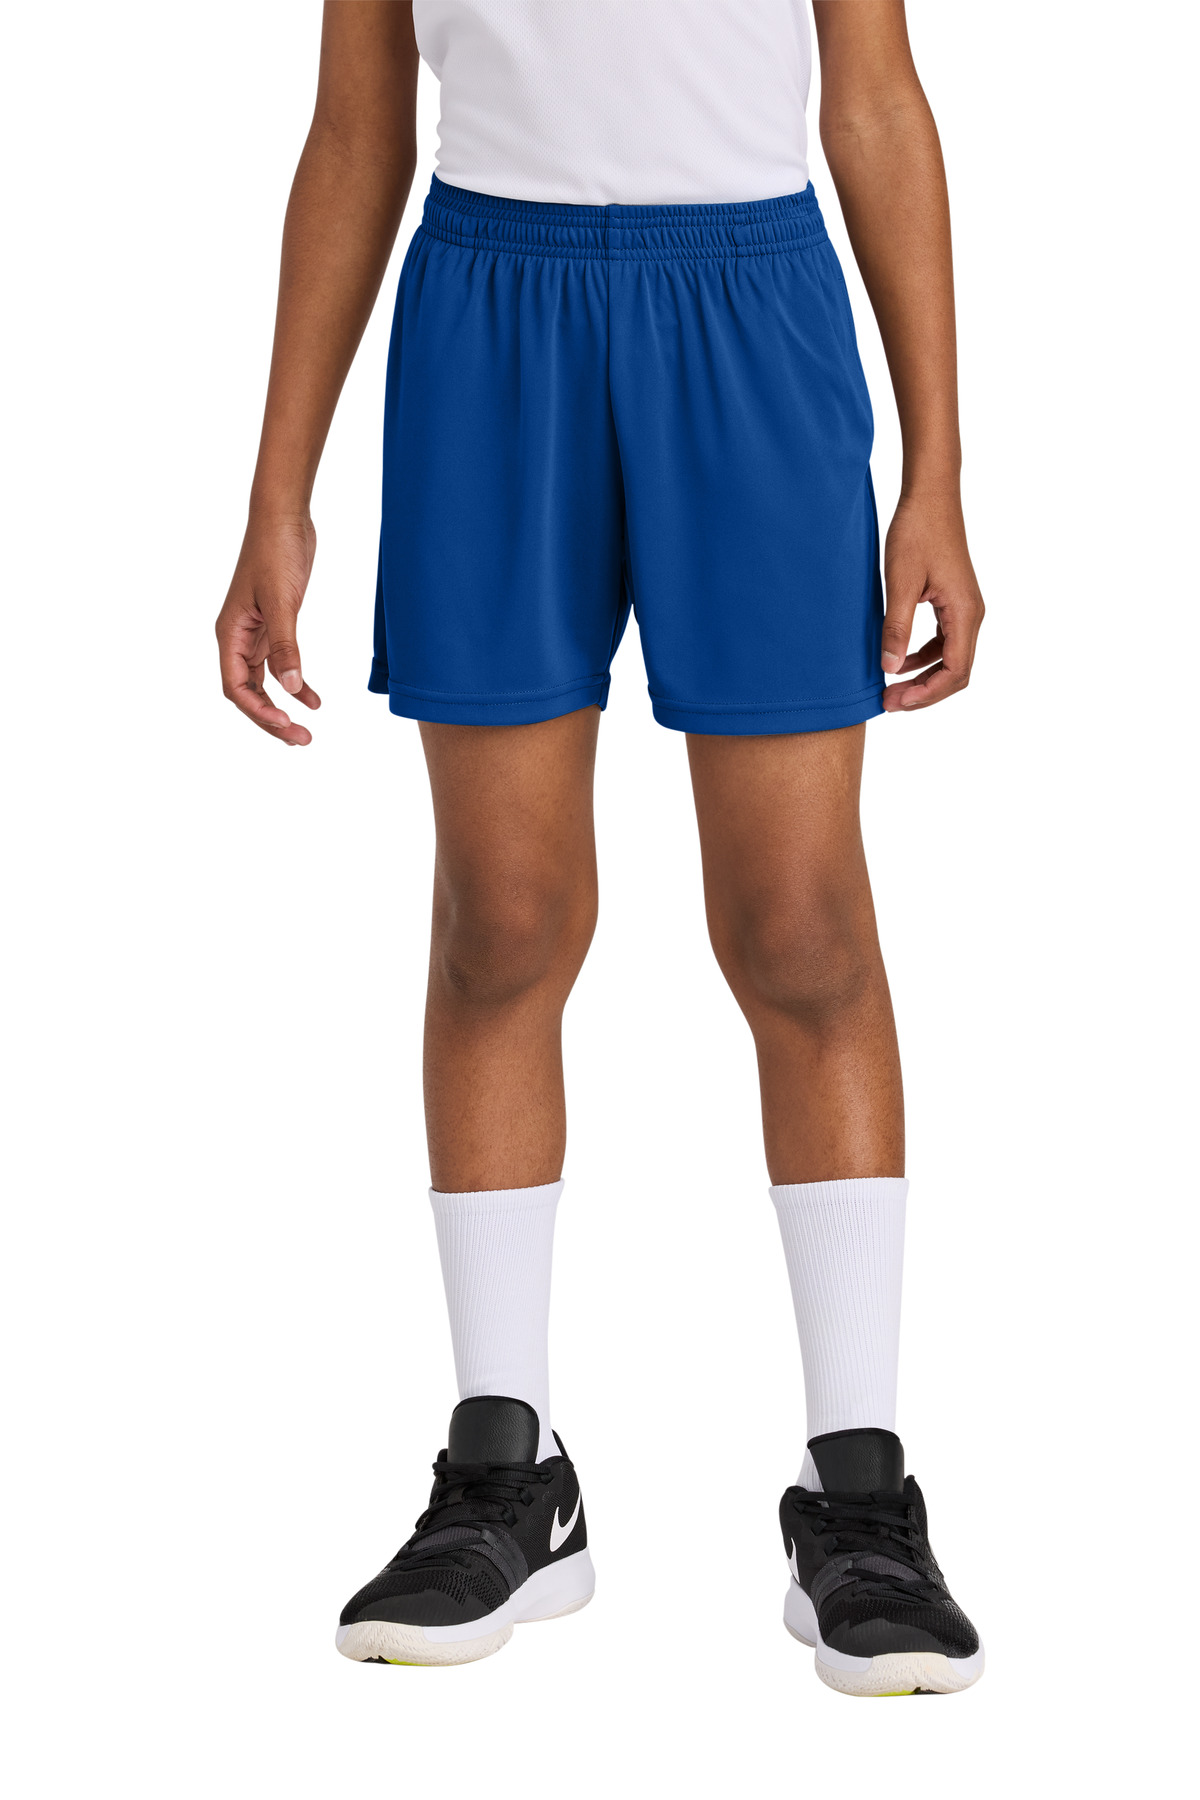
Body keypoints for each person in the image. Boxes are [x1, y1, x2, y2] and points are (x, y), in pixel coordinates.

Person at [216, 1, 985, 1696]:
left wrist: (937, 467)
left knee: (801, 930)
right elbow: (356, 127)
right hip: (491, 315)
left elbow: (873, 99)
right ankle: (510, 1469)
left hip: (750, 305)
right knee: (500, 922)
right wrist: (280, 489)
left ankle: (859, 1491)